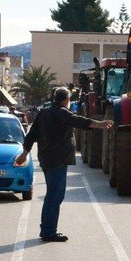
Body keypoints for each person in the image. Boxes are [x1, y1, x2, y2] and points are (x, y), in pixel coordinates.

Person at [15, 86, 113, 242]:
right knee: (55, 195)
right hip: (57, 160)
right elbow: (78, 121)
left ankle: (47, 229)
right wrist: (100, 124)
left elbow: (31, 135)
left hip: (47, 159)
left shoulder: (43, 113)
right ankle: (48, 231)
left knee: (52, 195)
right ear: (66, 100)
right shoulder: (61, 113)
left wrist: (25, 153)